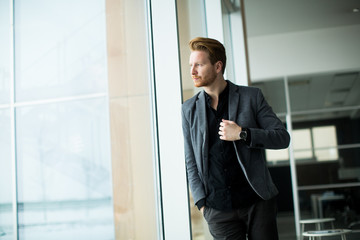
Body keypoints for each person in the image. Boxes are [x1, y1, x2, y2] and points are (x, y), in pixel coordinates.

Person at [181, 37, 290, 240]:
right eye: (191, 65)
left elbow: (282, 137)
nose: (192, 71)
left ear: (218, 66)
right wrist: (202, 203)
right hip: (218, 209)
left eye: (199, 64)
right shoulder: (189, 110)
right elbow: (191, 162)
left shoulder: (252, 97)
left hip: (257, 202)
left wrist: (243, 133)